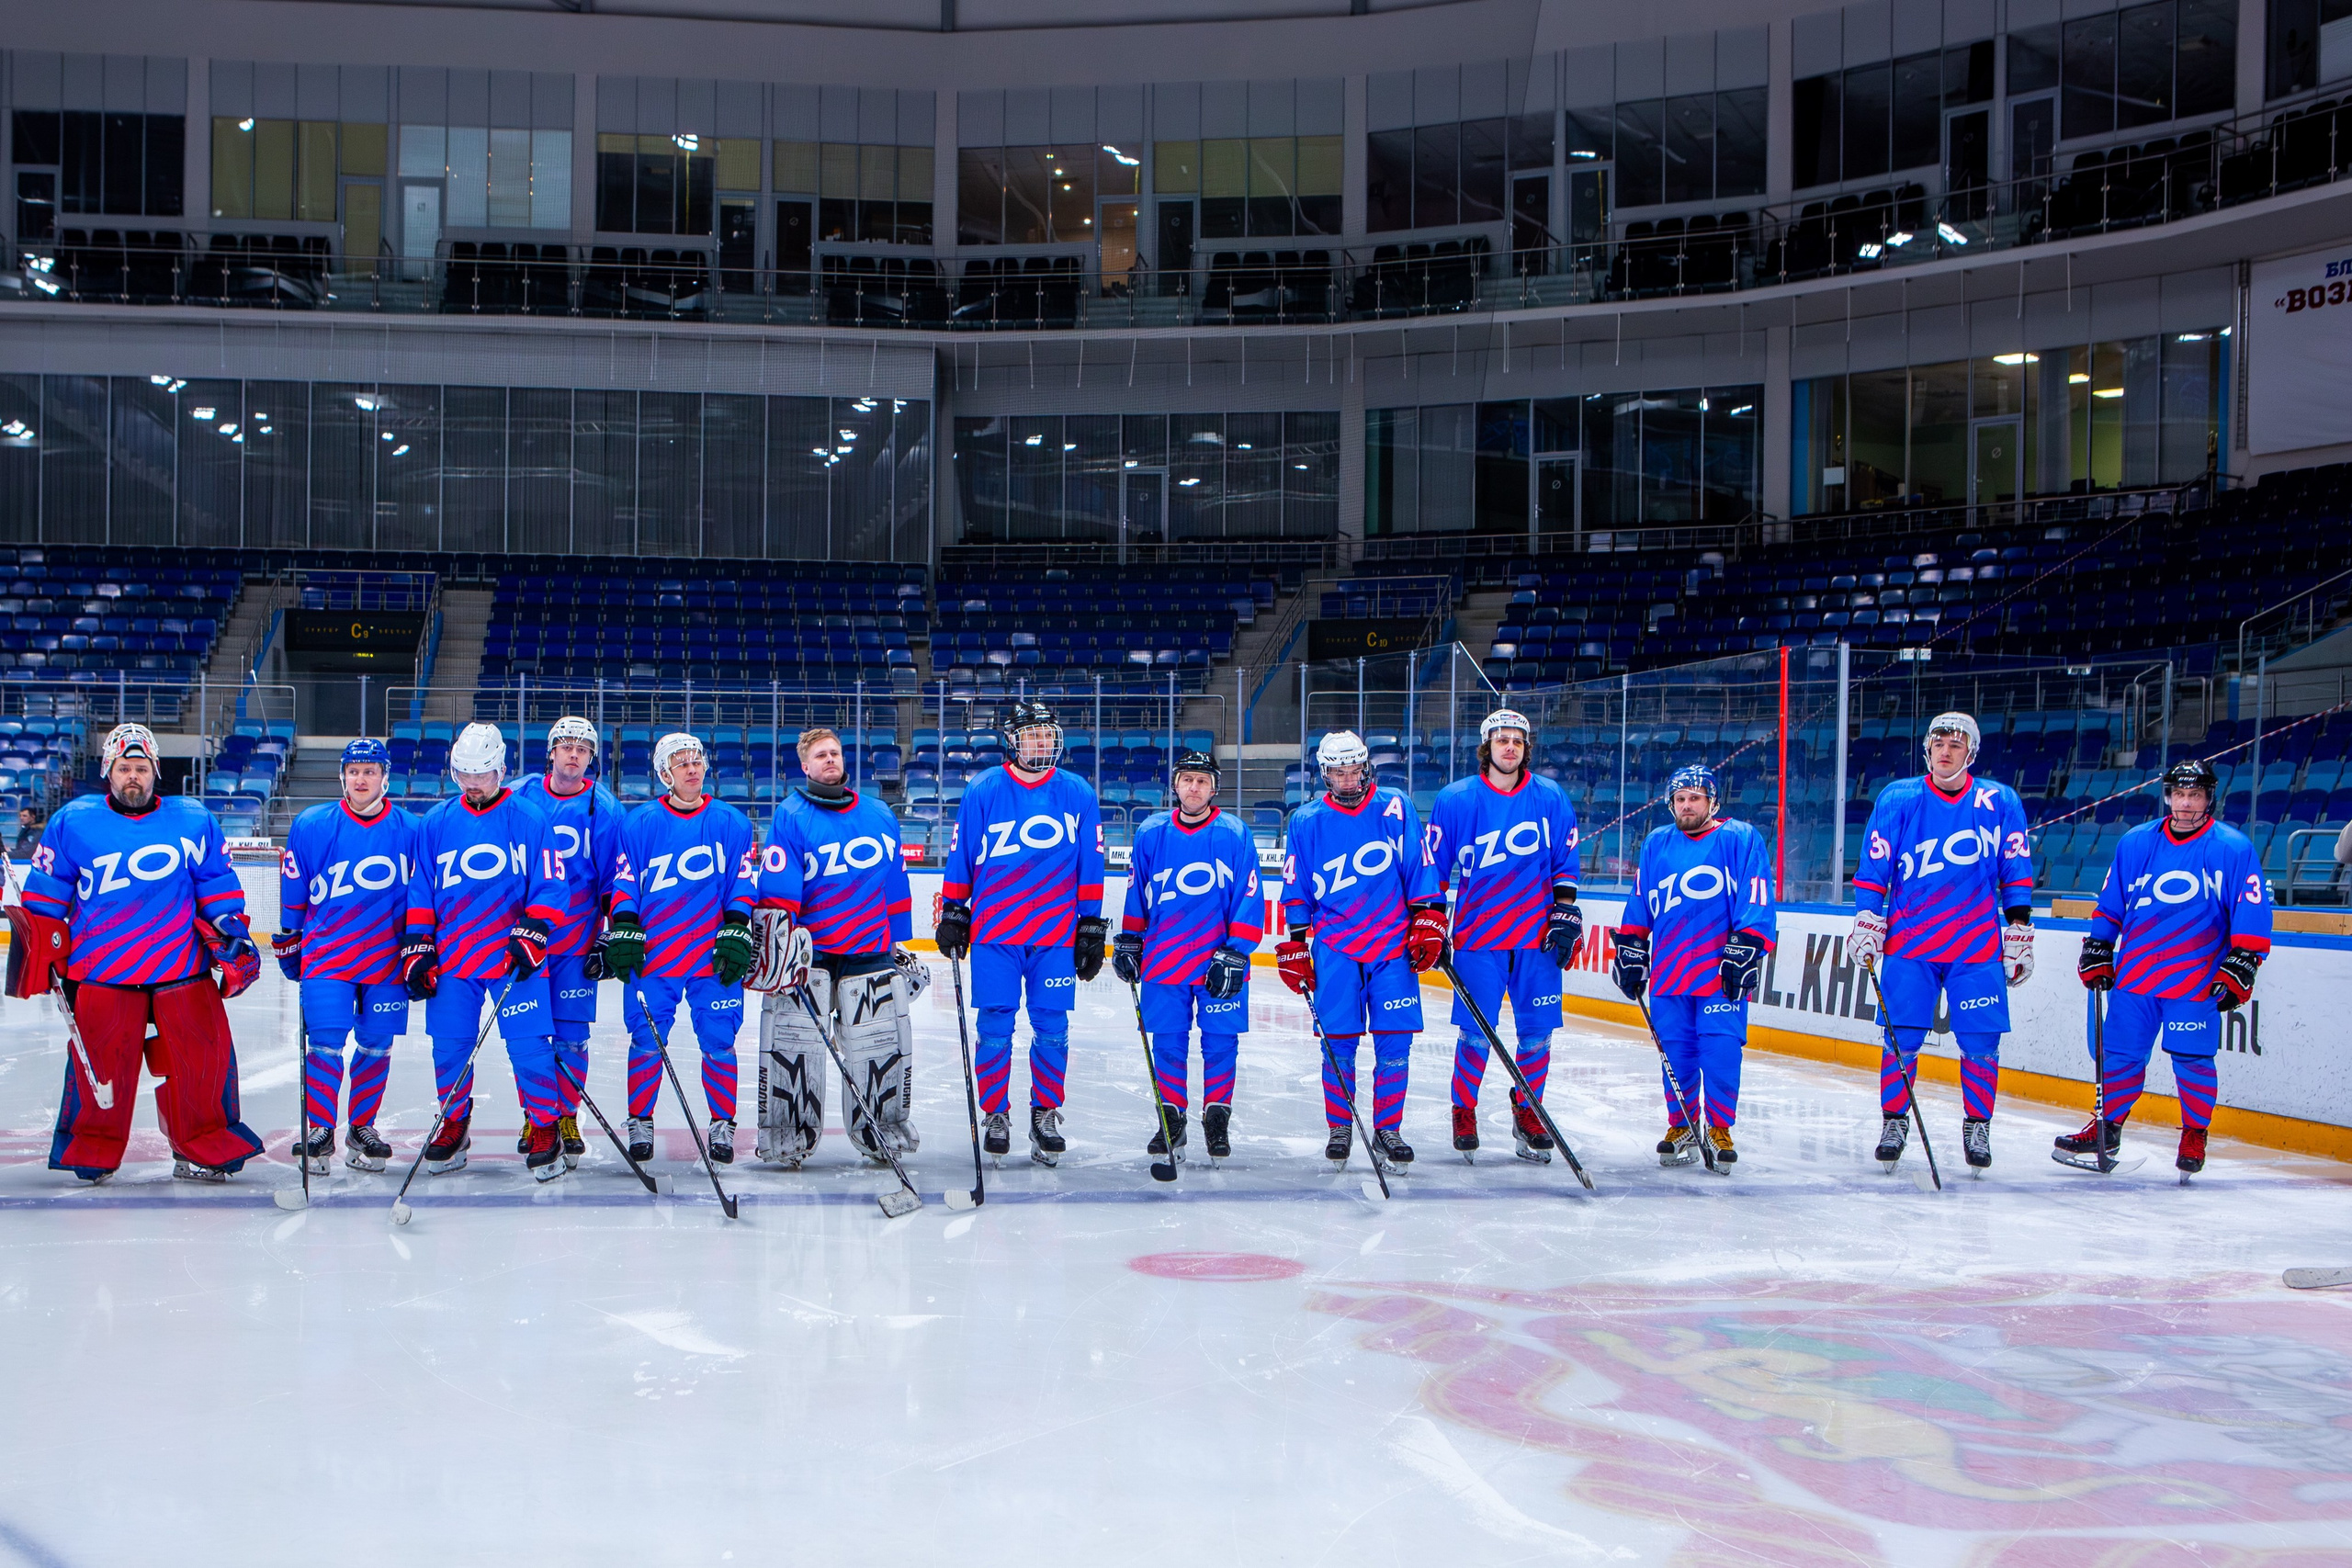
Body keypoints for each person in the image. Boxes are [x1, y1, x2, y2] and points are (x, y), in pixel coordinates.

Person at [13, 723, 263, 1183]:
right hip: (103, 970)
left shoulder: (193, 819)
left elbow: (217, 887)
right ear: (108, 771)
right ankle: (93, 1144)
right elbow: (47, 896)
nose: (133, 776)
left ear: (155, 772)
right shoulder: (73, 821)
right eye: (124, 767)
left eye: (142, 768)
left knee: (200, 1061)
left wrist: (231, 931)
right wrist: (41, 947)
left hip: (180, 966)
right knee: (101, 1064)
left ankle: (203, 1141)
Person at [1847, 712, 2035, 1172]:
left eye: (1955, 744)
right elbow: (1874, 868)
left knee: (1981, 1042)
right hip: (1911, 943)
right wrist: (1868, 917)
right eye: (1938, 744)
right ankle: (1894, 1122)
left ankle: (1978, 1126)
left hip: (1976, 945)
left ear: (1971, 752)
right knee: (1901, 1038)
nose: (1945, 752)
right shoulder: (1899, 797)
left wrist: (2019, 927)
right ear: (1927, 749)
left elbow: (2015, 869)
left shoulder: (1999, 800)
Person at [2068, 758, 2271, 1174]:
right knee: (2120, 1055)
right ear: (2168, 797)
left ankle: (2194, 1133)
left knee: (2193, 1059)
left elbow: (2250, 909)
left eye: (2194, 795)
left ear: (2209, 798)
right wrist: (2100, 944)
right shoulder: (2136, 842)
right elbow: (2112, 901)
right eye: (2179, 794)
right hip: (2136, 974)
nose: (2186, 803)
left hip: (2194, 979)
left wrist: (2244, 960)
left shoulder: (2232, 848)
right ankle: (2107, 1127)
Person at [933, 699, 1106, 1167]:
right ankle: (996, 1113)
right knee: (994, 1027)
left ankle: (1044, 1113)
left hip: (1055, 934)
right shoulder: (985, 788)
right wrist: (955, 911)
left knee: (1053, 1027)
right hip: (997, 932)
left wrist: (1091, 925)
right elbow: (963, 854)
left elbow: (1091, 863)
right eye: (1032, 735)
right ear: (1013, 741)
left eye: (1047, 734)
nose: (1042, 742)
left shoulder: (1077, 792)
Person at [401, 722, 569, 1182]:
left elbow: (552, 882)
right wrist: (418, 944)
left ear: (500, 770)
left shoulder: (530, 818)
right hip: (454, 958)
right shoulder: (436, 822)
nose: (473, 784)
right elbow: (422, 888)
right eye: (464, 774)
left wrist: (536, 928)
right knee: (449, 1045)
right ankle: (454, 1123)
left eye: (481, 774)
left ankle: (545, 1125)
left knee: (529, 1045)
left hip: (513, 958)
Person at [751, 727, 922, 1168]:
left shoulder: (879, 813)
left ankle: (881, 1127)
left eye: (835, 753)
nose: (830, 759)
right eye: (821, 755)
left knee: (879, 1047)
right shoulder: (792, 815)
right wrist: (779, 945)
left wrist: (896, 942)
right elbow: (779, 889)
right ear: (805, 766)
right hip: (811, 955)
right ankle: (789, 1129)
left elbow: (895, 884)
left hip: (870, 950)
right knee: (795, 1044)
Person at [1276, 729, 1447, 1169]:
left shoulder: (1395, 806)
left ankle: (1388, 1129)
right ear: (1325, 775)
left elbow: (1419, 866)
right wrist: (1296, 945)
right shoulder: (1306, 820)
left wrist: (1428, 920)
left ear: (1367, 767)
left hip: (1392, 946)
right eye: (1339, 773)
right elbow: (1297, 888)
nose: (1348, 780)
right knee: (1337, 1043)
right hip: (1335, 947)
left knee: (1395, 1043)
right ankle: (1340, 1126)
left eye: (1354, 770)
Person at [1427, 707, 1583, 1163]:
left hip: (1536, 939)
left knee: (1537, 1034)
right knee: (1476, 1033)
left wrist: (1565, 911)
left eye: (1517, 740)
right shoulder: (1456, 799)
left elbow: (1564, 863)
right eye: (1501, 740)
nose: (1509, 747)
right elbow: (1434, 869)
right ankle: (1464, 1110)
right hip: (1478, 938)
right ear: (1487, 747)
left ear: (1525, 747)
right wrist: (1432, 920)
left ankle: (1528, 1111)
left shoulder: (1550, 796)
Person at [1611, 765, 1776, 1168]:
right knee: (1676, 1053)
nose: (1687, 806)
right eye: (1680, 799)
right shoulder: (1657, 842)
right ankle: (1682, 1124)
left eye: (1695, 799)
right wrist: (1632, 944)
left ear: (1712, 803)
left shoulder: (1740, 838)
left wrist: (1748, 944)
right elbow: (1641, 899)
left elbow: (1756, 894)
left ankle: (1719, 1128)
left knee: (1720, 1051)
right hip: (1670, 971)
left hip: (1720, 971)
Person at [606, 732, 758, 1165]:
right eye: (681, 763)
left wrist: (737, 926)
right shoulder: (639, 823)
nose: (692, 769)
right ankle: (640, 1121)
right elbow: (625, 882)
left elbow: (741, 882)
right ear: (664, 774)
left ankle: (722, 1124)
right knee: (646, 1039)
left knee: (720, 1041)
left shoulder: (732, 822)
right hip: (656, 955)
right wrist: (624, 925)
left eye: (697, 761)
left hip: (712, 955)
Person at [275, 738, 420, 1174]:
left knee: (376, 1044)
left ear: (385, 777)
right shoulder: (312, 824)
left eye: (369, 771)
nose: (361, 779)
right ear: (343, 776)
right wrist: (290, 938)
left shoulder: (411, 829)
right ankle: (321, 1128)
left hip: (386, 959)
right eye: (354, 771)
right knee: (324, 1043)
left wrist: (422, 944)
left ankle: (361, 1126)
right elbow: (295, 885)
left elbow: (423, 893)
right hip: (328, 955)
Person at [1113, 750, 1261, 1162]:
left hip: (1219, 960)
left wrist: (1236, 952)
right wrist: (1130, 939)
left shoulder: (1234, 833)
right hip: (1164, 958)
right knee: (1168, 1042)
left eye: (1202, 781)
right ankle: (1171, 1118)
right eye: (1187, 780)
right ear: (1175, 785)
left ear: (1214, 788)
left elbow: (1249, 895)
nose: (1194, 787)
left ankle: (1216, 1118)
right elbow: (1137, 890)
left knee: (1221, 1042)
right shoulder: (1151, 832)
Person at [514, 716, 624, 1167]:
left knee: (572, 1038)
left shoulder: (605, 807)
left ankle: (566, 1116)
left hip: (576, 941)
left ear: (591, 757)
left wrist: (612, 931)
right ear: (552, 752)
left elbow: (614, 877)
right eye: (567, 746)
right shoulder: (521, 795)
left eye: (583, 749)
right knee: (529, 1035)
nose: (574, 755)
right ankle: (535, 1116)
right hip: (526, 937)